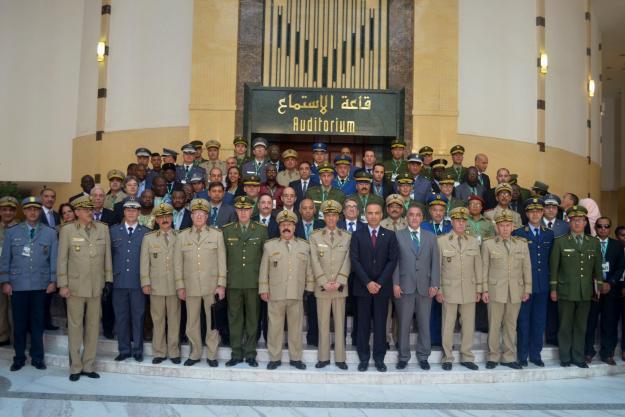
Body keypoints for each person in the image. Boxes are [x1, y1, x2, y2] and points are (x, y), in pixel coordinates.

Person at [57, 195, 112, 381]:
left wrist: (108, 280)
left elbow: (107, 258)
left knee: (93, 326)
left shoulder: (103, 229)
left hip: (96, 286)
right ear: (77, 212)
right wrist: (63, 284)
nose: (90, 212)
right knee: (75, 327)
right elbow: (62, 260)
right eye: (86, 210)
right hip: (75, 287)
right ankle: (75, 367)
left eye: (91, 209)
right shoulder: (67, 230)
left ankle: (88, 365)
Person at [0, 197, 57, 371]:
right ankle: (19, 357)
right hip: (18, 285)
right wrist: (6, 280)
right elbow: (6, 259)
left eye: (36, 209)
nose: (33, 212)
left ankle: (37, 357)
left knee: (37, 324)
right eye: (29, 209)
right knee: (19, 323)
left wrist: (53, 280)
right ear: (23, 212)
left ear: (40, 212)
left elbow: (53, 259)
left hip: (40, 285)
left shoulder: (50, 233)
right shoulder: (12, 232)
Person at [174, 198, 227, 367]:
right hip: (190, 287)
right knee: (192, 322)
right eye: (196, 213)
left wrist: (221, 284)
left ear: (206, 216)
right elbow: (178, 264)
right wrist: (180, 285)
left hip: (211, 287)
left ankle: (211, 355)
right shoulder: (182, 236)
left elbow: (222, 262)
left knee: (212, 321)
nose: (199, 216)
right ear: (191, 216)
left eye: (202, 214)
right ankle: (195, 353)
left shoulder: (216, 235)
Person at [259, 210, 314, 370]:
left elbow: (309, 269)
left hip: (296, 294)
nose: (286, 227)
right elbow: (264, 269)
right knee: (274, 328)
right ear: (279, 227)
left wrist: (309, 288)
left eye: (289, 224)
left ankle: (295, 358)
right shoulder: (270, 246)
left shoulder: (304, 246)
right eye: (283, 225)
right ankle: (274, 358)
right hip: (275, 294)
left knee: (295, 328)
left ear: (295, 227)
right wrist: (263, 288)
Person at [550, 205, 603, 368]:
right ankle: (565, 357)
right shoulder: (560, 242)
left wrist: (599, 286)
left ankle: (578, 357)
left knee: (581, 326)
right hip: (565, 290)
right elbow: (554, 268)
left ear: (586, 222)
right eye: (574, 221)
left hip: (585, 292)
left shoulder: (593, 242)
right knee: (565, 326)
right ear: (569, 222)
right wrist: (553, 289)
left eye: (580, 220)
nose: (577, 224)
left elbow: (597, 267)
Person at [350, 202, 399, 372]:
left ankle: (379, 358)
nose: (373, 216)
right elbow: (354, 260)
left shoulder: (390, 235)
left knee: (380, 325)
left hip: (382, 287)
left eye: (376, 213)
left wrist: (379, 282)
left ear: (381, 215)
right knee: (362, 324)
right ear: (365, 214)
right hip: (363, 287)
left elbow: (393, 260)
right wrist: (368, 282)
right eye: (370, 213)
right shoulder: (357, 235)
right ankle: (363, 358)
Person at [482, 210, 532, 370]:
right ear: (496, 227)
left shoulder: (522, 244)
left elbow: (526, 267)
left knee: (511, 325)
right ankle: (493, 356)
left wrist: (527, 289)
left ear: (513, 227)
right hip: (495, 290)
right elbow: (484, 268)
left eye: (508, 225)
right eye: (501, 225)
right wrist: (484, 290)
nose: (505, 228)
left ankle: (509, 357)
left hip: (516, 290)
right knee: (494, 324)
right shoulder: (488, 244)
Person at [222, 196, 268, 367]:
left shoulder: (261, 230)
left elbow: (265, 259)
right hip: (233, 282)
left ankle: (250, 353)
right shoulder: (226, 230)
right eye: (240, 209)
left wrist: (264, 283)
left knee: (252, 320)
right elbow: (223, 258)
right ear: (236, 211)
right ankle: (236, 353)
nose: (243, 212)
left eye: (246, 209)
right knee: (234, 319)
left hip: (253, 282)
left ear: (251, 211)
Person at [393, 205, 440, 370]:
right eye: (411, 215)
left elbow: (435, 263)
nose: (414, 218)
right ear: (406, 217)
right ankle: (403, 356)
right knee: (403, 324)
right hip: (404, 286)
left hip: (425, 287)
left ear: (422, 218)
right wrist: (395, 283)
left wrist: (435, 284)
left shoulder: (431, 237)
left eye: (418, 215)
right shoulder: (398, 235)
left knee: (424, 323)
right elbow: (395, 262)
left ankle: (423, 356)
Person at [436, 206, 482, 371]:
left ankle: (467, 356)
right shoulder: (442, 241)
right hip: (449, 289)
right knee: (448, 325)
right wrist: (439, 289)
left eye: (464, 221)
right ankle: (447, 357)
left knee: (468, 325)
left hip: (469, 289)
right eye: (458, 220)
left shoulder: (473, 241)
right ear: (452, 222)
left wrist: (479, 288)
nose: (461, 224)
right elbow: (438, 268)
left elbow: (478, 266)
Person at [512, 198, 555, 367]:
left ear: (542, 213)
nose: (535, 214)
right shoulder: (519, 233)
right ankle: (522, 355)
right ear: (527, 214)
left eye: (538, 211)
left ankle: (535, 354)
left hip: (542, 285)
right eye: (531, 211)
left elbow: (551, 261)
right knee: (523, 321)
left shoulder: (548, 234)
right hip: (524, 286)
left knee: (539, 321)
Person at [310, 200, 351, 370]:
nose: (331, 218)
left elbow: (348, 260)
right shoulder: (315, 236)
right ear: (324, 217)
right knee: (323, 323)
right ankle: (324, 357)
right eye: (328, 215)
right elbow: (314, 260)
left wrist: (340, 280)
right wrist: (323, 282)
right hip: (323, 287)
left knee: (340, 324)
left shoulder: (347, 236)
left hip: (340, 288)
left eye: (334, 215)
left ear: (338, 217)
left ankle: (340, 358)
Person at [140, 203, 181, 365]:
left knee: (174, 320)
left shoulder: (180, 236)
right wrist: (145, 282)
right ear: (156, 220)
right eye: (161, 217)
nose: (165, 220)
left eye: (168, 216)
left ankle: (174, 351)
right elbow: (145, 263)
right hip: (156, 286)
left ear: (172, 218)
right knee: (158, 320)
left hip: (174, 286)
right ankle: (159, 351)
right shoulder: (149, 239)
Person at [110, 198, 149, 362]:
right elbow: (109, 257)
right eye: (128, 210)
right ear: (124, 212)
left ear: (139, 213)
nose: (131, 212)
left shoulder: (146, 232)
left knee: (138, 317)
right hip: (118, 282)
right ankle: (124, 349)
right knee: (121, 317)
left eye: (135, 210)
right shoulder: (113, 231)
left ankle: (138, 349)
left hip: (138, 283)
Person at [584, 216, 625, 365]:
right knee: (590, 322)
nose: (603, 229)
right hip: (592, 290)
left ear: (609, 228)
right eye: (600, 226)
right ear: (595, 228)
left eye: (606, 226)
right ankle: (588, 351)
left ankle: (607, 353)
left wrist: (611, 283)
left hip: (610, 290)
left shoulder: (617, 245)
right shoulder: (588, 242)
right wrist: (594, 282)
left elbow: (621, 267)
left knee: (610, 322)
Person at [295, 198, 324, 347]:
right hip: (296, 272)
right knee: (295, 306)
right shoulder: (293, 225)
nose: (307, 211)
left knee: (314, 306)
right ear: (300, 210)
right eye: (304, 208)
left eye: (310, 208)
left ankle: (314, 338)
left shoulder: (322, 225)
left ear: (314, 210)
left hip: (316, 272)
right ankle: (293, 340)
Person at [0, 196, 19, 346]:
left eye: (10, 210)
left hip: (16, 275)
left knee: (16, 308)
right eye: (4, 209)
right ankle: (3, 335)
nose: (7, 213)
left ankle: (18, 337)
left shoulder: (21, 228)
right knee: (1, 307)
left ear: (15, 212)